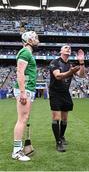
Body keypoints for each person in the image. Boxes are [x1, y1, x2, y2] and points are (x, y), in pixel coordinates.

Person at [49, 45, 85, 152]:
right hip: (55, 93)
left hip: (65, 93)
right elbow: (58, 76)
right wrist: (71, 72)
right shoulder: (54, 62)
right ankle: (58, 142)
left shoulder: (70, 64)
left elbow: (82, 75)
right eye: (65, 47)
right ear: (61, 51)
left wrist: (82, 62)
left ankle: (61, 136)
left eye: (69, 48)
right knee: (56, 117)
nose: (68, 48)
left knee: (64, 118)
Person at [12, 31, 39, 161]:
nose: (37, 40)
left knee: (24, 118)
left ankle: (19, 149)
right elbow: (20, 72)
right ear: (29, 40)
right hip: (25, 89)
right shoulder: (25, 52)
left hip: (28, 89)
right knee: (22, 119)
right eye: (36, 38)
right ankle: (16, 151)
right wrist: (23, 92)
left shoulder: (28, 53)